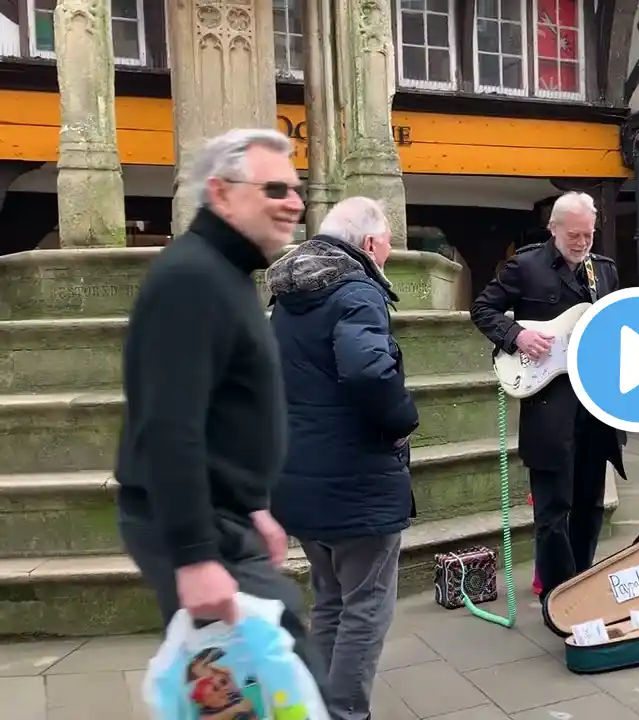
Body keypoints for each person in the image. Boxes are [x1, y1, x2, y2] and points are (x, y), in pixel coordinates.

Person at [114, 129, 323, 679]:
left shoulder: (226, 273)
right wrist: (195, 555)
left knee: (271, 689)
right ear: (221, 193)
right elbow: (168, 426)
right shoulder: (191, 277)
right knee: (273, 689)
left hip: (228, 517)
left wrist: (254, 504)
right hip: (200, 528)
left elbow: (222, 412)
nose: (295, 204)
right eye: (276, 189)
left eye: (298, 190)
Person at [265, 197, 417, 720]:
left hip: (301, 479)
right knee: (366, 609)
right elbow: (367, 372)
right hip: (357, 481)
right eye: (390, 241)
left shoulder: (289, 297)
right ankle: (348, 712)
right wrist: (402, 421)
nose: (391, 251)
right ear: (370, 243)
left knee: (330, 600)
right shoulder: (355, 290)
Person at [471, 191, 626, 604]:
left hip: (595, 405)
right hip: (548, 404)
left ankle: (582, 582)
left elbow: (613, 332)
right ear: (554, 229)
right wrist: (516, 335)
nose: (581, 242)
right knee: (553, 511)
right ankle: (558, 597)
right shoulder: (526, 266)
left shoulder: (605, 272)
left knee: (591, 504)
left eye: (588, 235)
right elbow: (483, 309)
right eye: (573, 234)